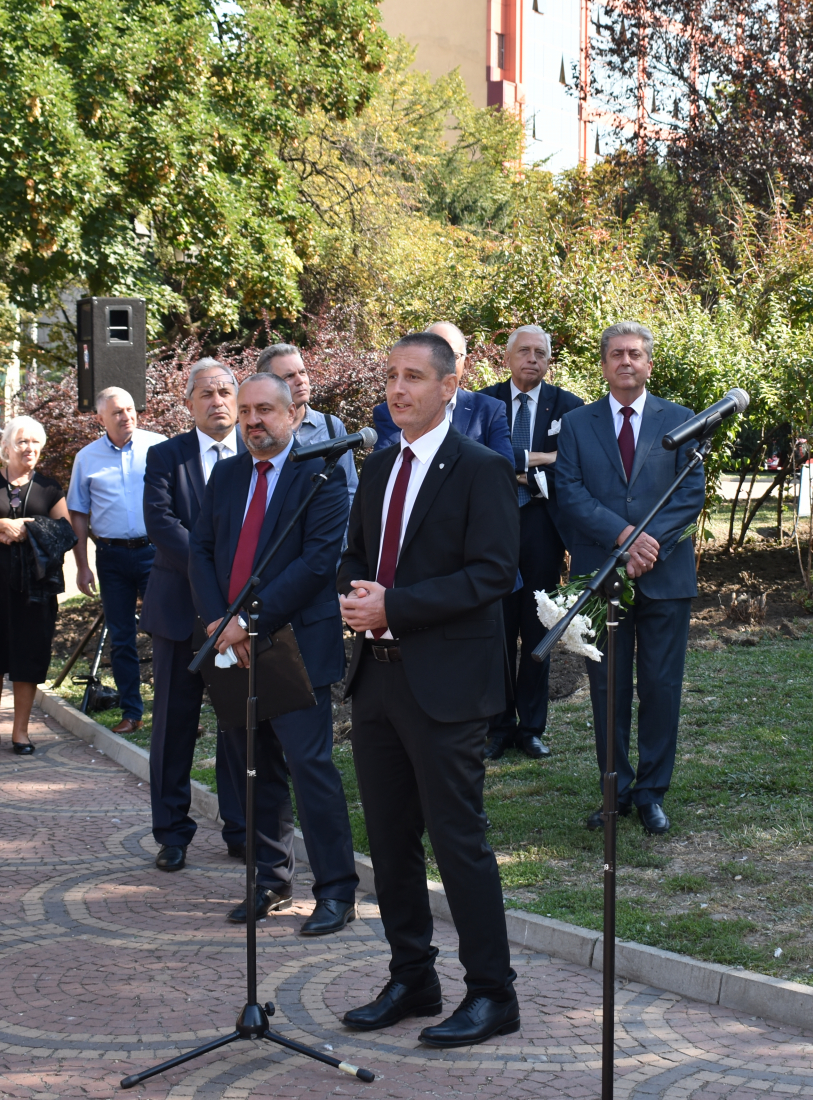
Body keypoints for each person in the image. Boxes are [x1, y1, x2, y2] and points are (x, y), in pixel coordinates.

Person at [336, 333, 520, 1047]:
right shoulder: (379, 467)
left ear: (451, 386)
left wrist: (396, 606)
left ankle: (492, 993)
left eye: (414, 377)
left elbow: (493, 573)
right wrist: (355, 594)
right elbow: (357, 552)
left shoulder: (481, 468)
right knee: (387, 841)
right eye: (391, 376)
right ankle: (412, 975)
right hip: (376, 681)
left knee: (458, 841)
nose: (397, 388)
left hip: (446, 687)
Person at [193, 373, 359, 936]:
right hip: (229, 644)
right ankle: (270, 879)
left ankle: (336, 891)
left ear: (293, 414)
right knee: (252, 766)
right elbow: (201, 549)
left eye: (264, 410)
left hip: (293, 645)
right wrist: (219, 620)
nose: (252, 421)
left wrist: (247, 622)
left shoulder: (321, 476)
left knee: (309, 769)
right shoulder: (227, 472)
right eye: (245, 411)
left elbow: (316, 564)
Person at [550, 321, 705, 837]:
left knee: (660, 687)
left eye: (635, 354)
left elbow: (689, 496)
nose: (626, 362)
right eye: (616, 354)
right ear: (604, 363)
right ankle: (613, 792)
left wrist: (645, 546)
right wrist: (623, 537)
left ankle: (652, 794)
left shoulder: (683, 422)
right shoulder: (576, 424)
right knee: (608, 689)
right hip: (602, 576)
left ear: (649, 364)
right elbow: (569, 493)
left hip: (665, 577)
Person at [142, 359, 251, 869]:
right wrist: (212, 571)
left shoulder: (255, 455)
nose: (218, 401)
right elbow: (161, 523)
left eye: (226, 391)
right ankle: (172, 832)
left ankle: (242, 827)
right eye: (205, 393)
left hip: (237, 617)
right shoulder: (167, 456)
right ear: (188, 404)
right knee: (173, 724)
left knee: (237, 722)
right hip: (179, 614)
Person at [479, 325, 584, 761]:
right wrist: (537, 464)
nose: (532, 359)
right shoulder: (483, 404)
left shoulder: (571, 409)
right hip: (493, 532)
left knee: (538, 628)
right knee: (497, 631)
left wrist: (516, 471)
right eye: (524, 351)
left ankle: (532, 727)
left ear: (549, 361)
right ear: (507, 358)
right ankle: (498, 726)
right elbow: (479, 464)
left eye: (541, 353)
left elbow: (573, 472)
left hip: (543, 529)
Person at [0, 416, 70, 756]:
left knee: (28, 654)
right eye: (22, 442)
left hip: (34, 588)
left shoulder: (49, 487)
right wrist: (2, 524)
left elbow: (66, 532)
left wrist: (26, 528)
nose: (29, 448)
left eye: (35, 442)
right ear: (5, 448)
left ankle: (20, 732)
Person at [66, 387, 165, 734]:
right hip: (111, 557)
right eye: (118, 412)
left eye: (130, 409)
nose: (127, 416)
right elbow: (78, 513)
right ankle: (132, 712)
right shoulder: (87, 458)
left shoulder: (158, 446)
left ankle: (174, 713)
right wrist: (81, 565)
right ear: (100, 419)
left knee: (169, 631)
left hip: (157, 553)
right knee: (122, 637)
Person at [371, 322, 514, 468]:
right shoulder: (391, 412)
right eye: (434, 355)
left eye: (452, 355)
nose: (442, 363)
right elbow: (387, 470)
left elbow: (502, 472)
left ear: (467, 363)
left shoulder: (489, 411)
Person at [257, 343, 358, 499]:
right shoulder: (253, 432)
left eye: (302, 372)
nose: (300, 380)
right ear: (267, 385)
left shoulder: (331, 427)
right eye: (289, 376)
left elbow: (349, 490)